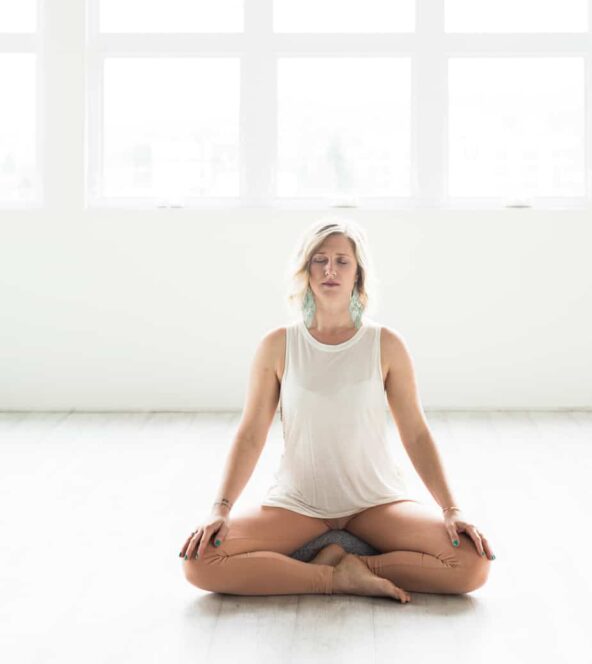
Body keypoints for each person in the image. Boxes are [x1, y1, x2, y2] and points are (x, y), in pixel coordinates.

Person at [180, 219, 495, 601]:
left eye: (342, 261)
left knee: (471, 566)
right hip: (299, 503)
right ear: (306, 271)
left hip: (375, 500)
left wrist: (451, 509)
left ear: (358, 274)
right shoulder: (278, 345)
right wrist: (221, 509)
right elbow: (250, 434)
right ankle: (334, 578)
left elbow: (416, 433)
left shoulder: (385, 344)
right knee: (200, 562)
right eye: (320, 260)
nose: (330, 270)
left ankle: (359, 566)